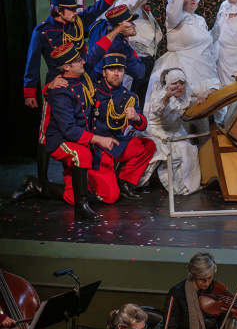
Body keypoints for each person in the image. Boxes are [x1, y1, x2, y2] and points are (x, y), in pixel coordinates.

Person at [23, 0, 125, 186]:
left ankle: (81, 174)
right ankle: (42, 180)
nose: (76, 12)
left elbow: (94, 10)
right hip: (57, 84)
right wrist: (29, 92)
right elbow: (32, 63)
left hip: (82, 80)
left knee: (84, 121)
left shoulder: (77, 22)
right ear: (59, 10)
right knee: (45, 132)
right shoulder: (42, 32)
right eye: (71, 9)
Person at [42, 39, 135, 221]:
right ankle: (81, 206)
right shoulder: (60, 91)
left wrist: (115, 32)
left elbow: (97, 50)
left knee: (70, 194)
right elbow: (68, 129)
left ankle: (37, 186)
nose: (83, 61)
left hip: (79, 138)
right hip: (62, 140)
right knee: (82, 155)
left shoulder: (82, 77)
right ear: (67, 67)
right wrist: (99, 139)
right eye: (78, 60)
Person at [146, 0, 220, 109]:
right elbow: (173, 10)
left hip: (204, 66)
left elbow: (208, 44)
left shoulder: (200, 20)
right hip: (180, 63)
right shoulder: (176, 19)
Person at [90, 53, 155, 200]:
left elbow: (142, 124)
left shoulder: (129, 96)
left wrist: (137, 117)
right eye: (112, 69)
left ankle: (124, 182)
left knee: (148, 146)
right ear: (104, 72)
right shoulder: (92, 92)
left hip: (116, 143)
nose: (116, 73)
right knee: (110, 197)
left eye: (119, 70)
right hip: (97, 147)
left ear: (124, 72)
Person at [141, 68, 202, 195]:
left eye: (182, 83)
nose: (179, 87)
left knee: (189, 149)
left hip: (176, 130)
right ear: (168, 84)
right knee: (171, 154)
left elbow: (210, 84)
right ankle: (142, 184)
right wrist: (167, 96)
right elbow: (157, 110)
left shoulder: (187, 91)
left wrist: (205, 94)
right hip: (158, 130)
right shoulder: (160, 94)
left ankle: (186, 186)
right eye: (175, 83)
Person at [106, 0, 166, 97]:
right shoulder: (123, 3)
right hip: (133, 61)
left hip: (148, 61)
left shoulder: (143, 8)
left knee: (144, 99)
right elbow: (131, 4)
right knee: (130, 97)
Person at [89, 5, 147, 83]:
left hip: (88, 78)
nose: (134, 25)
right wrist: (131, 48)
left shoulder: (100, 26)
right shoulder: (120, 46)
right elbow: (139, 72)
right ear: (121, 27)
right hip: (106, 86)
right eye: (130, 23)